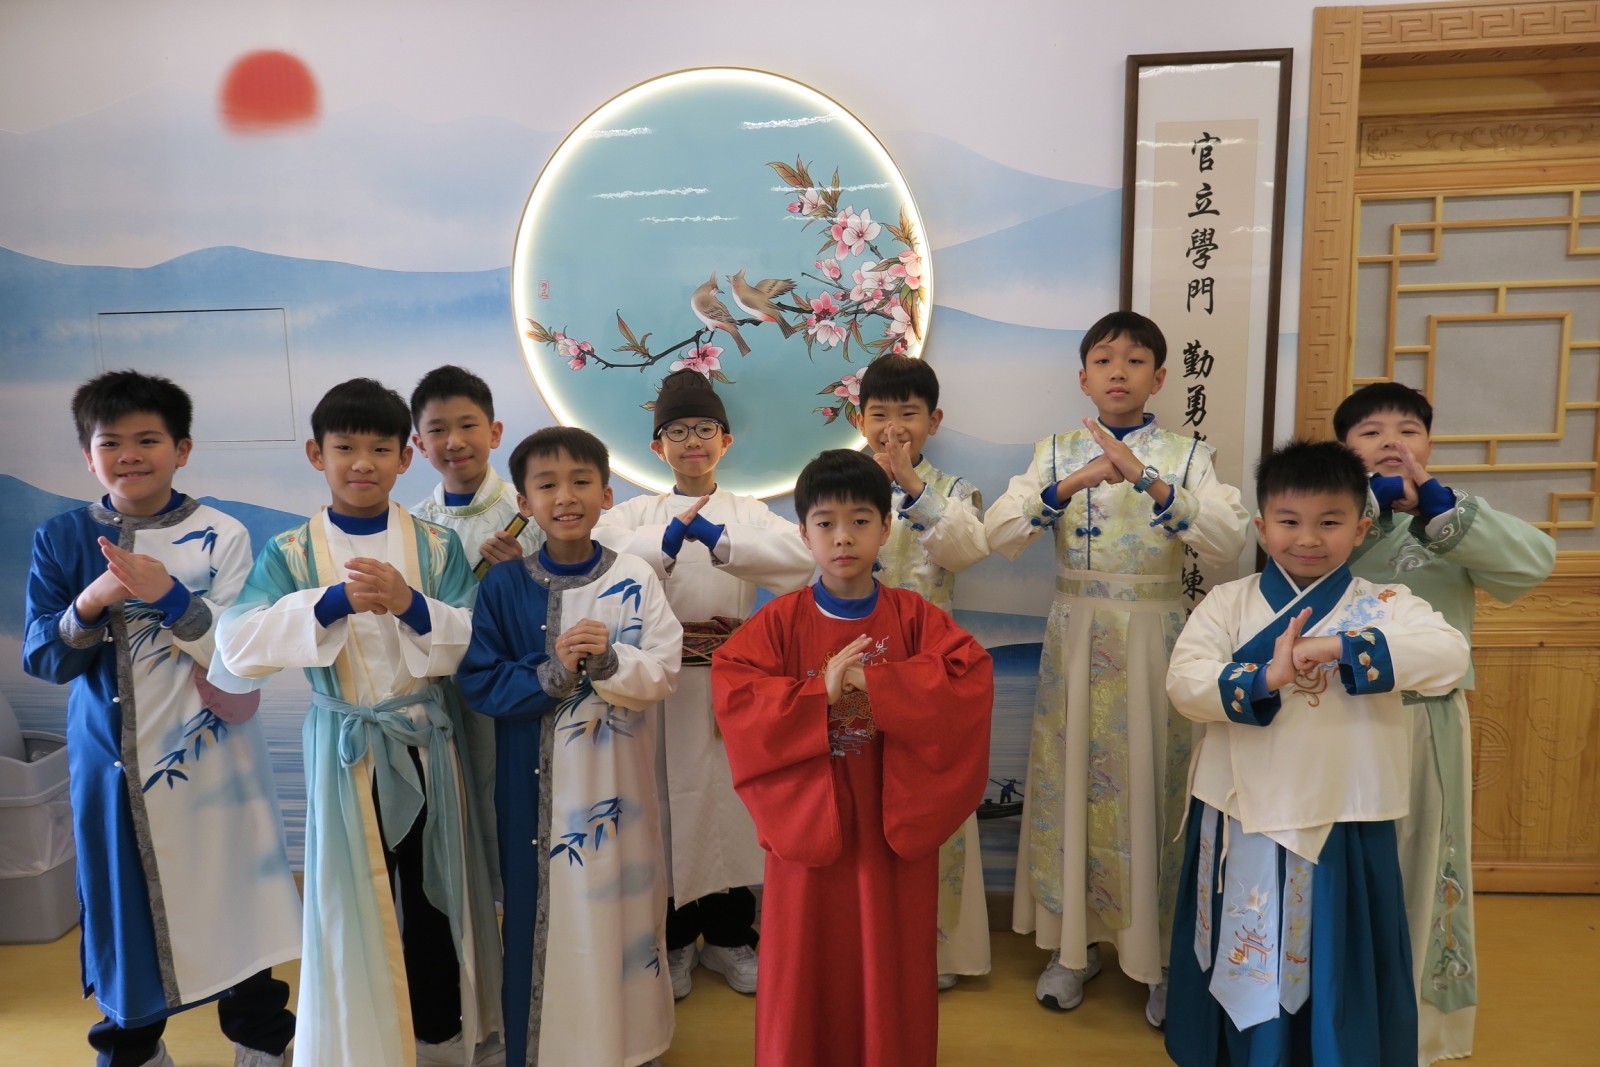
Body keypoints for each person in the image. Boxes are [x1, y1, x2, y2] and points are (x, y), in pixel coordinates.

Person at [214, 378, 503, 1067]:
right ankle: (362, 1044)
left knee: (436, 892)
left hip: (424, 737)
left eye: (380, 448)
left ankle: (441, 1034)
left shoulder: (435, 546)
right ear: (317, 454)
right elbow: (237, 644)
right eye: (345, 447)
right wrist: (328, 603)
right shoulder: (290, 552)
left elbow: (476, 639)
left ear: (405, 457)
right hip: (344, 744)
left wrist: (411, 604)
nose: (363, 463)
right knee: (351, 899)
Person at [23, 371, 301, 1067]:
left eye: (148, 439)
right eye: (110, 442)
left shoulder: (224, 534)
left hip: (216, 757)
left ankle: (260, 1039)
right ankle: (135, 1047)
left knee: (237, 891)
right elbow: (43, 657)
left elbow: (244, 652)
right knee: (121, 901)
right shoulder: (61, 537)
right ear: (88, 455)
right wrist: (90, 602)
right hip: (112, 761)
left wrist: (172, 596)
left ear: (182, 448)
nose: (129, 455)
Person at [1164, 439, 1471, 1066]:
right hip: (1240, 807)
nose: (1307, 539)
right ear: (1261, 527)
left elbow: (1449, 655)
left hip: (1342, 812)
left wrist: (1339, 647)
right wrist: (1264, 678)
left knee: (1334, 951)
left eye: (1329, 522)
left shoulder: (1387, 603)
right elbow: (1184, 682)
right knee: (1244, 939)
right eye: (1289, 521)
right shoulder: (1228, 602)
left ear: (1360, 528)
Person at [984, 310, 1250, 1023]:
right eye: (1104, 360)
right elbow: (999, 533)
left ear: (1158, 378)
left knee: (1154, 784)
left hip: (1155, 636)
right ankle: (1073, 950)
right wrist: (1072, 483)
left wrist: (1148, 481)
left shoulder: (1189, 455)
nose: (1118, 372)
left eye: (1135, 361)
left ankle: (1158, 956)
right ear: (1083, 377)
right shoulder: (1055, 452)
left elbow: (1226, 540)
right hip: (1074, 636)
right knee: (1069, 785)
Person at [712, 449, 994, 1067]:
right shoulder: (778, 622)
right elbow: (736, 692)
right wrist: (821, 692)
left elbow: (968, 678)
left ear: (885, 528)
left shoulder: (915, 617)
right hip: (810, 822)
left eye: (860, 521)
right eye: (826, 523)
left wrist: (880, 685)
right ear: (804, 532)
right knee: (805, 958)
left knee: (891, 955)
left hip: (891, 820)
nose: (843, 537)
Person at [1336, 382, 1555, 1066]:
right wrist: (1360, 511)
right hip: (1337, 717)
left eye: (1408, 429)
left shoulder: (1449, 517)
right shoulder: (1330, 516)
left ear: (1429, 444)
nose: (1392, 441)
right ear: (1344, 448)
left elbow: (1533, 564)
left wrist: (1441, 511)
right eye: (1371, 431)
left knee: (1428, 865)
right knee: (1343, 864)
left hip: (1428, 718)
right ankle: (1337, 1016)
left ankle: (1422, 1030)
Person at [457, 426, 682, 1067]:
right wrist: (552, 674)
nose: (565, 497)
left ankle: (630, 1045)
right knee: (543, 915)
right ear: (524, 502)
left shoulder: (635, 576)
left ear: (607, 495)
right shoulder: (503, 586)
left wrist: (609, 661)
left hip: (621, 793)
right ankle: (546, 1049)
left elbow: (664, 670)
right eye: (547, 485)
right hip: (533, 794)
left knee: (624, 912)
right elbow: (480, 681)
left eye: (581, 482)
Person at [592, 370, 813, 999]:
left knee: (731, 805)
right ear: (657, 446)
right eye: (678, 431)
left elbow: (802, 559)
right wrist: (664, 542)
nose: (693, 441)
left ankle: (730, 936)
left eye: (705, 429)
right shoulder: (634, 513)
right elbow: (603, 556)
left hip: (730, 685)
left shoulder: (749, 513)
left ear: (726, 440)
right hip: (657, 685)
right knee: (663, 807)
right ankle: (673, 938)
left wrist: (721, 540)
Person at [855, 353, 992, 991]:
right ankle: (863, 940)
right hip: (855, 671)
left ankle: (935, 950)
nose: (893, 427)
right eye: (879, 413)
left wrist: (911, 482)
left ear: (933, 421)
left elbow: (966, 550)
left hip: (930, 675)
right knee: (859, 802)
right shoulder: (843, 483)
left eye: (908, 413)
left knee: (932, 806)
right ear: (859, 419)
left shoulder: (954, 491)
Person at [410, 364, 546, 900]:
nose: (454, 441)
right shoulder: (413, 525)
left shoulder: (530, 511)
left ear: (495, 432)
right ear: (418, 444)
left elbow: (567, 601)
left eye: (467, 425)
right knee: (451, 803)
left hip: (513, 688)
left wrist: (521, 574)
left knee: (510, 800)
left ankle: (520, 909)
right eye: (437, 430)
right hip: (438, 693)